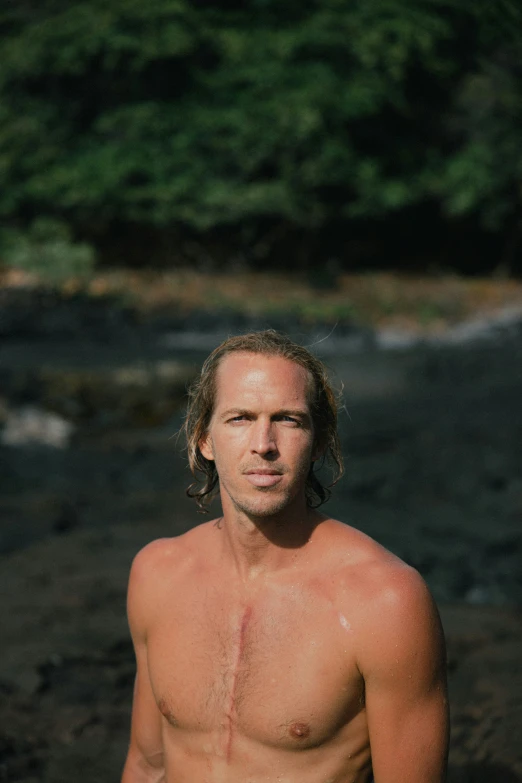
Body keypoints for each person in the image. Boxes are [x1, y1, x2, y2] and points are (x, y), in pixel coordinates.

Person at [121, 330, 449, 783]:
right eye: (239, 418)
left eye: (289, 420)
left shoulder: (385, 601)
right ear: (204, 440)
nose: (263, 444)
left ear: (318, 442)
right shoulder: (157, 574)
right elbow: (147, 765)